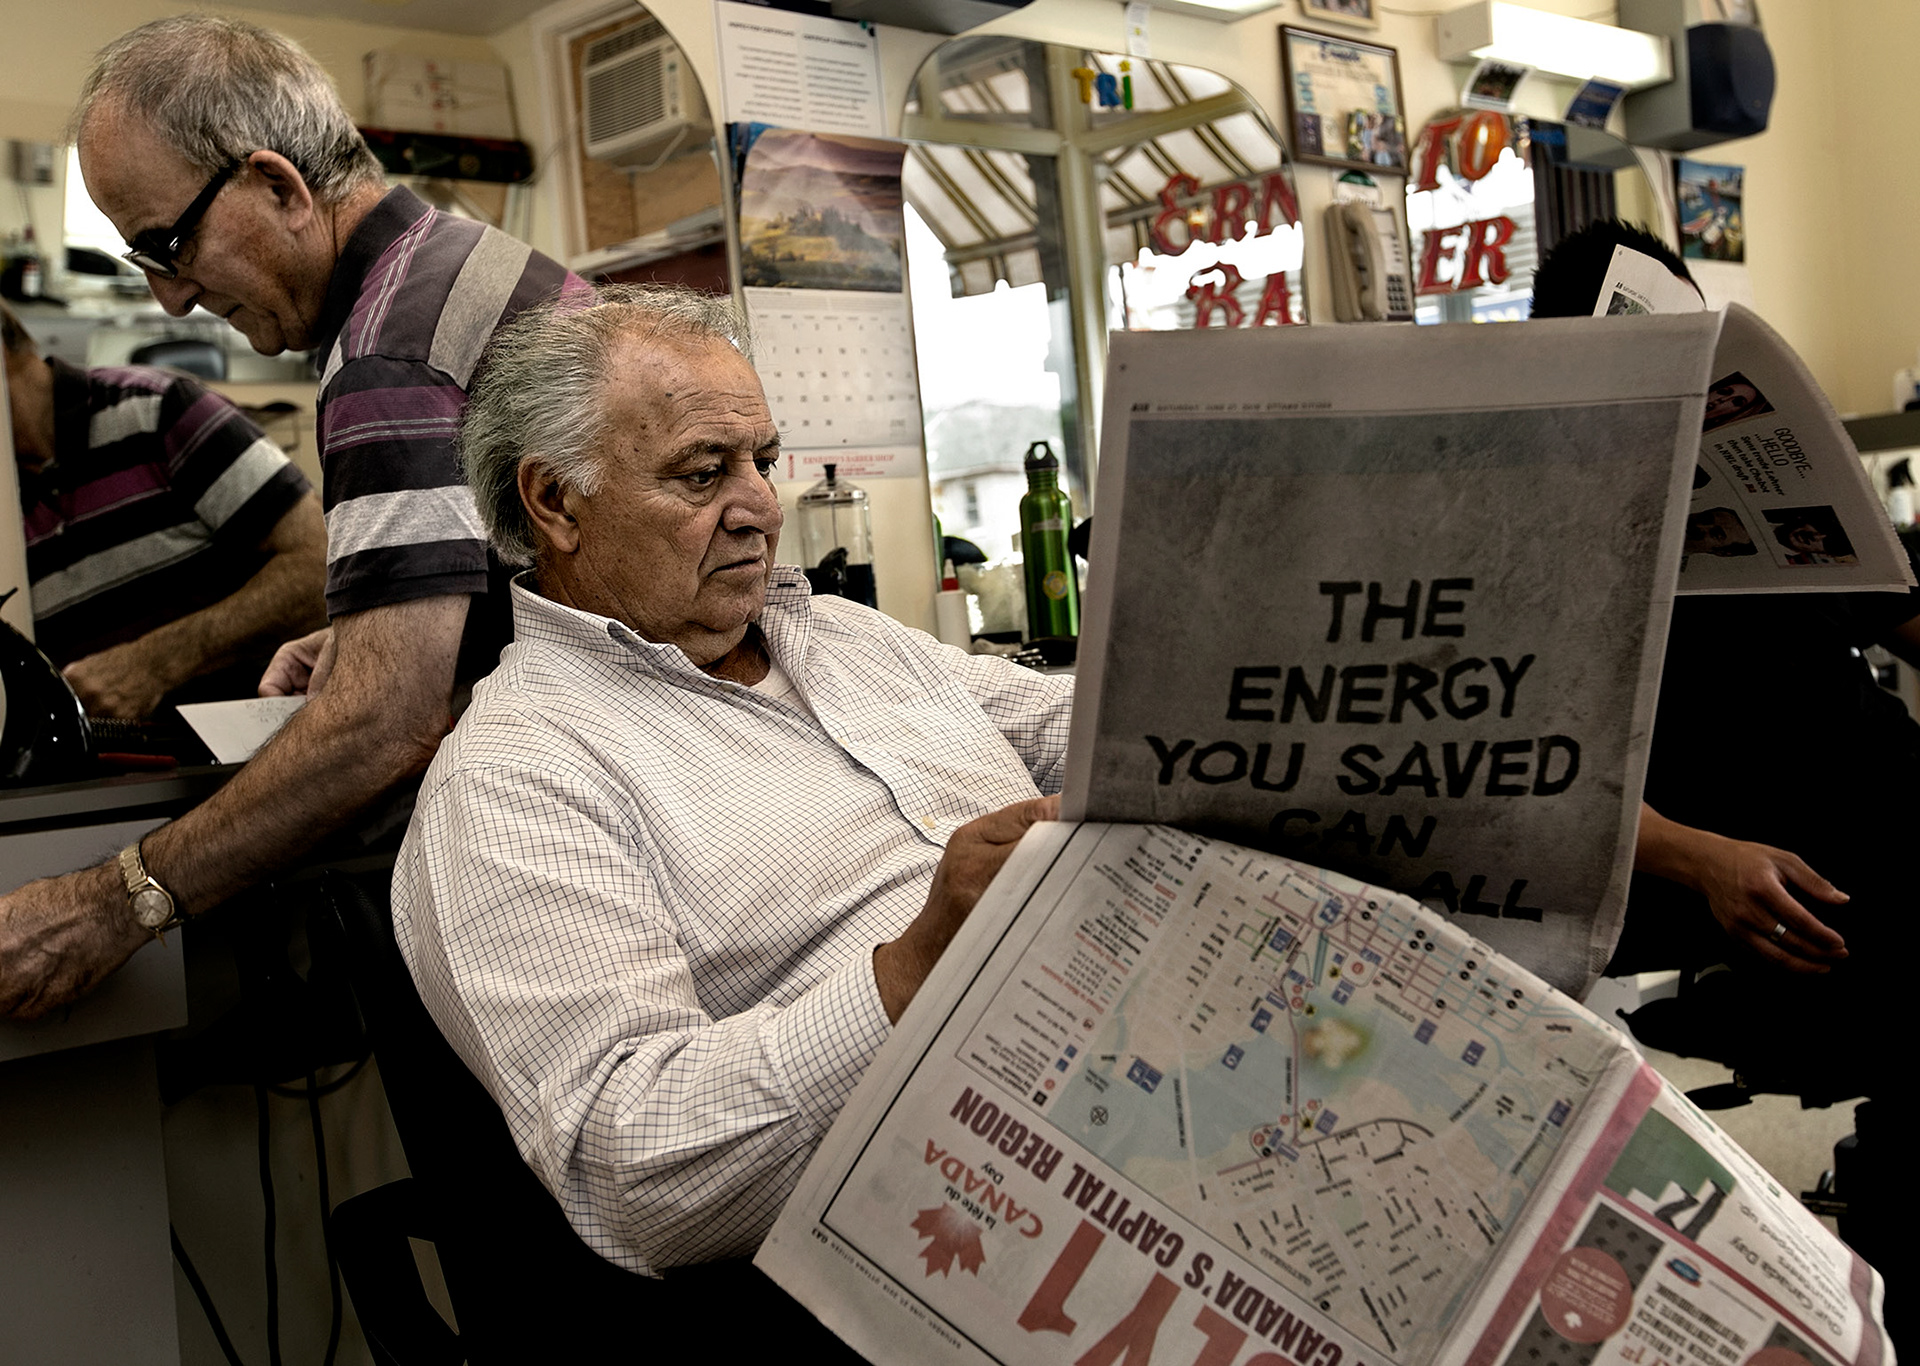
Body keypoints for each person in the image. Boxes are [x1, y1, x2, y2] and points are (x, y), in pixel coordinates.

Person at [392, 285, 1073, 1275]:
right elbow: (632, 1170)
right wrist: (917, 968)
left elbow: (1086, 734)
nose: (760, 505)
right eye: (704, 473)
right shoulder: (517, 778)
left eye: (763, 460)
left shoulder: (844, 639)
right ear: (556, 503)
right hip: (947, 1219)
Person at [0, 15, 585, 1019]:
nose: (173, 299)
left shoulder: (385, 354)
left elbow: (384, 727)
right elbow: (568, 558)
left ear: (277, 184)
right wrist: (398, 628)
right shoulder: (466, 262)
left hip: (574, 871)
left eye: (169, 246)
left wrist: (110, 903)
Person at [1531, 220, 1920, 997]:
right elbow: (1538, 770)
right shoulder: (1542, 551)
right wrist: (1703, 859)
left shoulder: (1756, 505)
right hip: (1766, 868)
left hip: (1892, 806)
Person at [3, 300, 325, 717]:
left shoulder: (159, 410)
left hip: (249, 743)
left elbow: (322, 568)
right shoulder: (7, 503)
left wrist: (155, 662)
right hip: (104, 772)